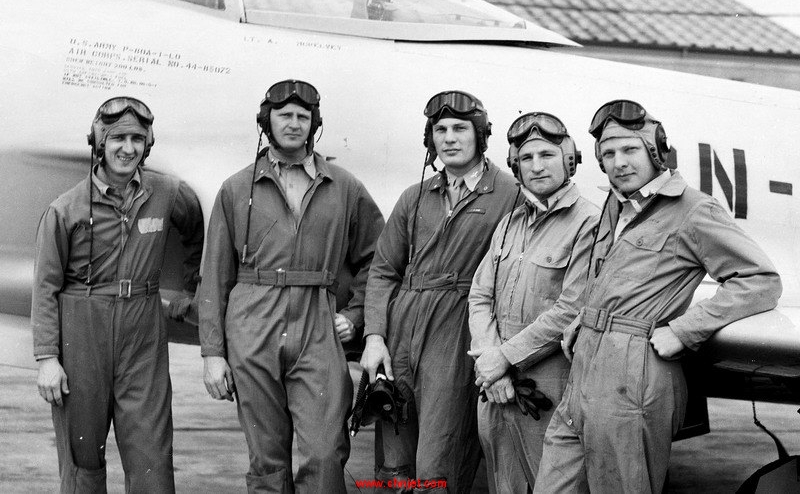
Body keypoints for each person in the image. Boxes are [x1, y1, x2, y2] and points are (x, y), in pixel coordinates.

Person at [533, 100, 782, 494]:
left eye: (630, 150)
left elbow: (760, 280)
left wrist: (685, 330)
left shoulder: (694, 210)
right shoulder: (616, 206)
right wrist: (587, 315)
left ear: (654, 151)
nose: (619, 162)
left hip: (635, 376)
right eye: (609, 154)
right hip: (585, 372)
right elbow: (614, 277)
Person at [198, 79, 384, 493]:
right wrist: (213, 353)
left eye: (303, 117)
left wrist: (354, 316)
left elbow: (378, 260)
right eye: (285, 116)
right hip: (252, 323)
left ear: (314, 124)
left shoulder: (345, 187)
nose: (294, 124)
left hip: (318, 323)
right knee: (266, 456)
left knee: (324, 451)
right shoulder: (235, 188)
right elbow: (214, 275)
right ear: (267, 121)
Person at [32, 97, 204, 493]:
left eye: (138, 139)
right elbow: (45, 287)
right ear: (98, 142)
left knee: (152, 457)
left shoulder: (168, 192)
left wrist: (191, 293)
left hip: (143, 330)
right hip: (82, 331)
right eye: (118, 138)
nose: (128, 148)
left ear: (149, 143)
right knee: (82, 460)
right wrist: (47, 359)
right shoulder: (65, 209)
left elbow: (198, 234)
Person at [360, 90, 519, 493]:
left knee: (439, 456)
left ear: (481, 135)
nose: (448, 137)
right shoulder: (414, 196)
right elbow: (382, 271)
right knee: (394, 460)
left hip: (458, 330)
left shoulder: (510, 195)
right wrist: (375, 337)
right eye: (440, 129)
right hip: (401, 334)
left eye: (460, 129)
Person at [467, 112, 599, 493]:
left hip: (547, 388)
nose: (537, 167)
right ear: (515, 167)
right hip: (495, 384)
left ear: (569, 161)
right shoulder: (510, 222)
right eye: (526, 159)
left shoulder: (589, 222)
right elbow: (480, 295)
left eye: (547, 155)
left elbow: (572, 308)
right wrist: (492, 360)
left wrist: (504, 358)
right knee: (503, 485)